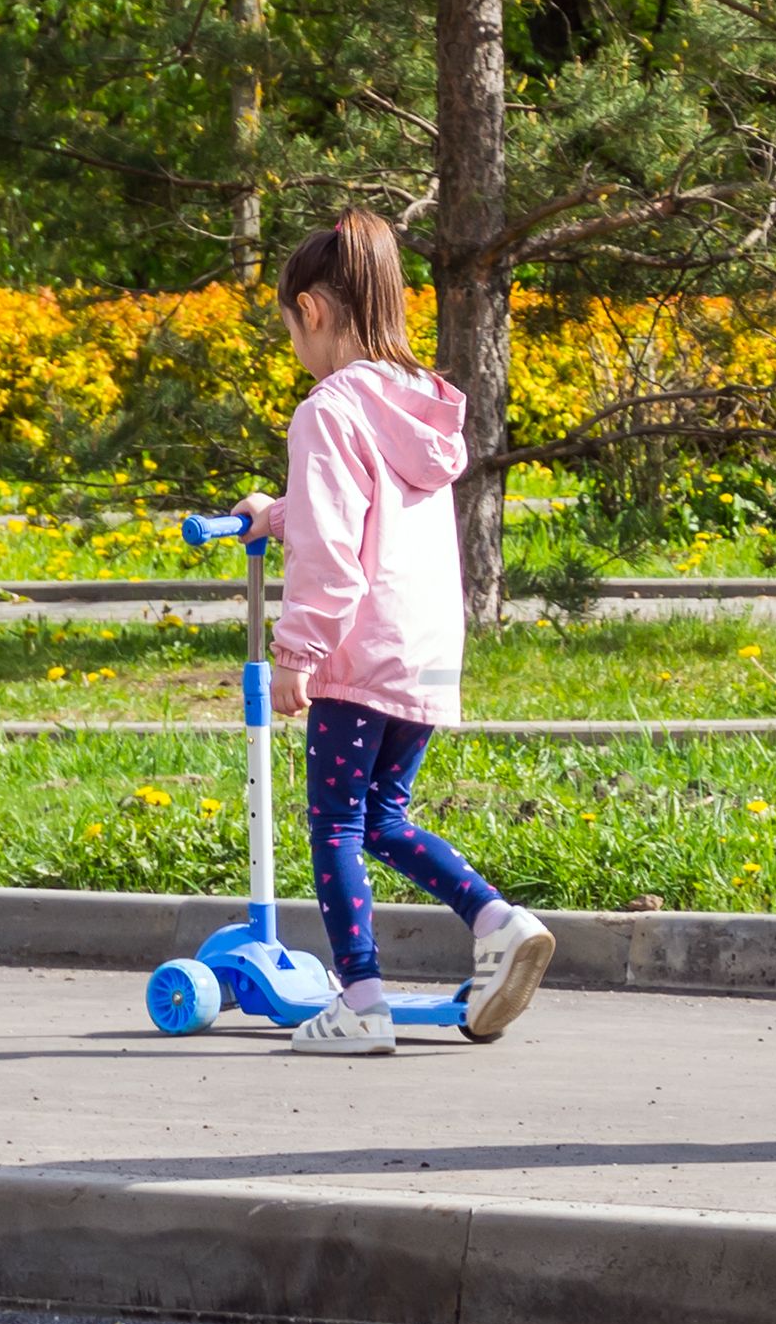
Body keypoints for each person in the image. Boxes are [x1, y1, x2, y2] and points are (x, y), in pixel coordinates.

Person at [234, 209, 554, 1055]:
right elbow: (355, 511)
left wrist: (297, 653)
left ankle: (362, 997)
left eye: (289, 330)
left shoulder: (327, 410)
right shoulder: (415, 407)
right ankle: (498, 920)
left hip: (354, 650)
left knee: (334, 824)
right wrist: (276, 513)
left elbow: (337, 553)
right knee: (382, 815)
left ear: (310, 310)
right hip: (420, 656)